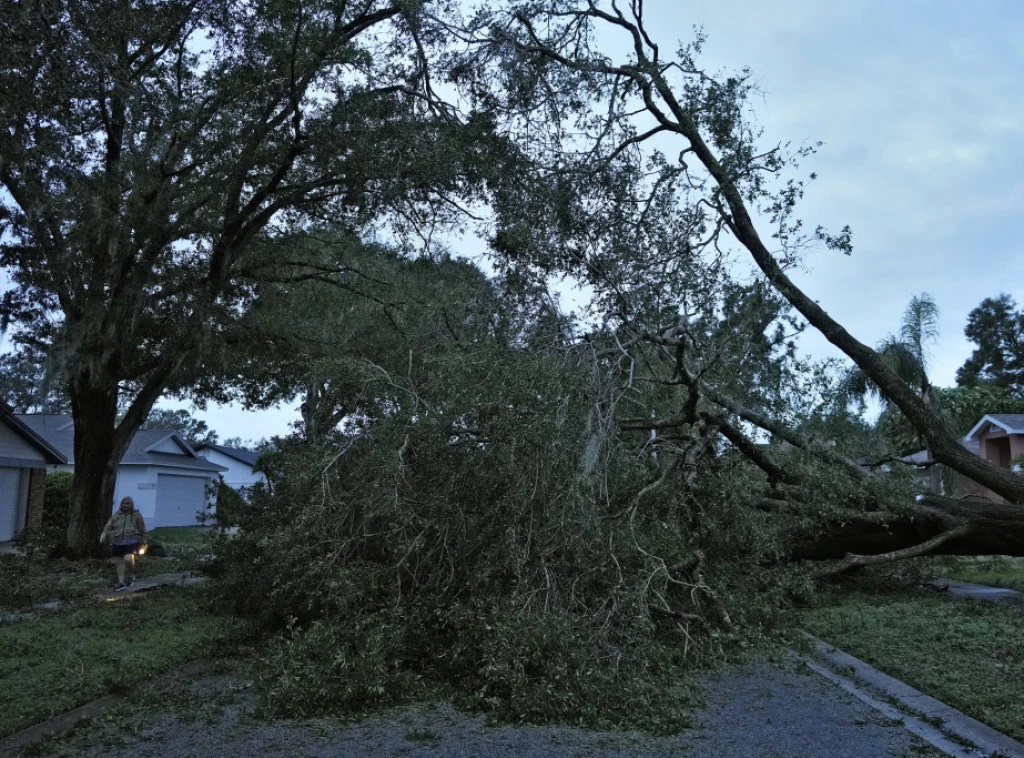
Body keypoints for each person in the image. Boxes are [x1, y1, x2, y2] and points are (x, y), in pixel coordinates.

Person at [99, 496, 147, 591]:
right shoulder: (116, 515)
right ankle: (121, 582)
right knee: (119, 562)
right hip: (117, 541)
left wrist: (144, 541)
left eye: (128, 503)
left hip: (132, 540)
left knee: (128, 559)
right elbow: (108, 526)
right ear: (121, 505)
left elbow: (142, 528)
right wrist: (103, 535)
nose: (125, 505)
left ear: (131, 505)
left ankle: (131, 575)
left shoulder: (136, 515)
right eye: (123, 503)